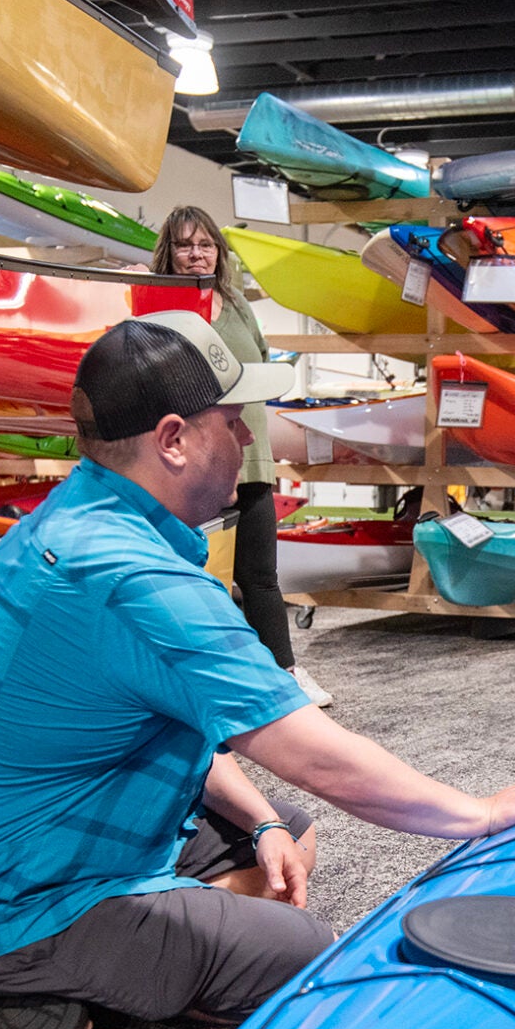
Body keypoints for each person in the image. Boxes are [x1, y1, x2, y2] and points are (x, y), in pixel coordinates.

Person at [0, 310, 515, 1029]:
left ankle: (114, 964)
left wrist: (260, 823)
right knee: (300, 953)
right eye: (232, 421)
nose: (249, 440)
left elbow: (166, 715)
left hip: (12, 840)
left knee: (288, 836)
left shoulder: (75, 517)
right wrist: (482, 812)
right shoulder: (132, 578)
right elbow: (316, 754)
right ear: (173, 440)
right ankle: (20, 977)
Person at [152, 205, 333, 708]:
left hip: (249, 457)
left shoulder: (236, 304)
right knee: (191, 578)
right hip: (191, 464)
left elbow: (257, 368)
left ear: (218, 251)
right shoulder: (157, 306)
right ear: (169, 251)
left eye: (205, 244)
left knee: (259, 577)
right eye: (186, 245)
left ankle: (285, 674)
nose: (195, 254)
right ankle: (195, 682)